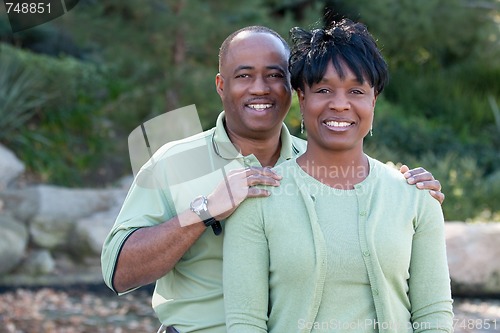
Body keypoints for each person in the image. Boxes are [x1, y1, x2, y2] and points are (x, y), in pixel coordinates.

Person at [101, 25, 445, 333]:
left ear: (293, 88)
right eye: (244, 76)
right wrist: (205, 212)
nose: (260, 89)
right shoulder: (177, 162)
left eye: (274, 75)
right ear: (222, 85)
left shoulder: (315, 161)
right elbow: (118, 273)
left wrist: (408, 197)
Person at [223, 19, 453, 333]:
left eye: (356, 90)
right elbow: (245, 323)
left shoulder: (416, 197)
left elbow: (434, 316)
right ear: (302, 98)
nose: (340, 105)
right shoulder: (259, 197)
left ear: (373, 101)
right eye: (324, 90)